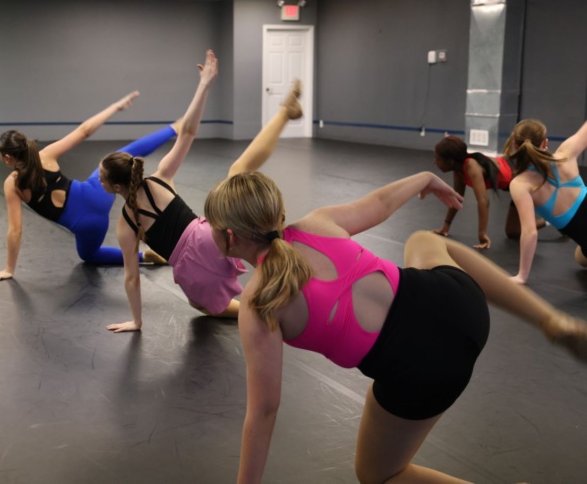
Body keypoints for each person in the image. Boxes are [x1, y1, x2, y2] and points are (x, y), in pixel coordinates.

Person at [203, 170, 587, 484]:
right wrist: (423, 177)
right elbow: (380, 204)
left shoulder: (259, 304)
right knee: (423, 241)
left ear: (230, 238)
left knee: (378, 474)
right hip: (460, 303)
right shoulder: (319, 222)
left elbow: (264, 412)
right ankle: (550, 320)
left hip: (424, 371)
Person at [98, 49, 303, 332]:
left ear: (117, 187)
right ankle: (283, 114)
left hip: (190, 268)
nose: (98, 181)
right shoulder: (160, 178)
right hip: (212, 236)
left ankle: (264, 314)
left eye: (101, 179)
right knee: (239, 169)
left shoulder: (126, 222)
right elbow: (188, 132)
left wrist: (136, 321)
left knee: (203, 305)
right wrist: (204, 85)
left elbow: (132, 278)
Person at [0, 92, 176, 281]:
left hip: (89, 226)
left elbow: (15, 230)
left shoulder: (13, 184)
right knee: (122, 155)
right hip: (98, 194)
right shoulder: (45, 155)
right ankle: (174, 129)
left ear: (7, 158)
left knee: (89, 255)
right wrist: (115, 107)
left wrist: (9, 269)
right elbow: (85, 131)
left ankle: (144, 256)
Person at [504, 118, 587, 284]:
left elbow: (530, 232)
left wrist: (522, 276)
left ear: (515, 145)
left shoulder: (521, 184)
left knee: (581, 256)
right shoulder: (565, 154)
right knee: (580, 258)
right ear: (545, 143)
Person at [433, 134, 543, 249]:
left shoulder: (471, 166)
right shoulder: (458, 170)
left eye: (438, 159)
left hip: (526, 183)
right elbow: (457, 198)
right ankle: (547, 221)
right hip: (516, 185)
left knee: (517, 231)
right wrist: (446, 225)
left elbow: (483, 201)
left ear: (450, 161)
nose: (435, 162)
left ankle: (551, 218)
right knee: (513, 232)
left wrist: (482, 234)